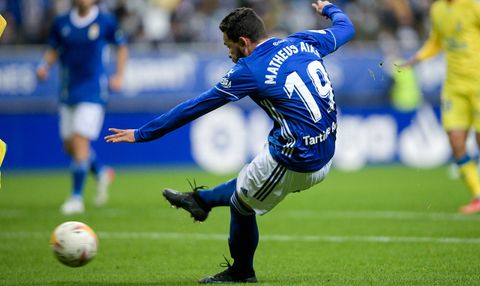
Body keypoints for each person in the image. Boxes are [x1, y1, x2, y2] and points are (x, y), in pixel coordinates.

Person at [106, 0, 354, 283]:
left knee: (241, 205)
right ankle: (200, 201)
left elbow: (194, 107)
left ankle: (241, 271)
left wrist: (142, 133)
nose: (229, 54)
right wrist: (329, 8)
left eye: (229, 46)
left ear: (244, 42)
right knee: (253, 172)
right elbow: (346, 28)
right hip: (327, 150)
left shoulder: (250, 69)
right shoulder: (302, 41)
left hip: (296, 160)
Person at [37, 0, 128, 215]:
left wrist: (119, 75)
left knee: (79, 140)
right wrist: (44, 66)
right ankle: (101, 172)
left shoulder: (105, 21)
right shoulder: (61, 22)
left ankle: (76, 197)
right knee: (70, 146)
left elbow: (121, 47)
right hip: (68, 90)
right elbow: (53, 48)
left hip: (93, 91)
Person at [400, 0, 480, 214]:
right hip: (454, 86)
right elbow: (437, 41)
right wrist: (416, 59)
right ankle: (478, 195)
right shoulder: (438, 10)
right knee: (455, 140)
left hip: (478, 82)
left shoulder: (473, 5)